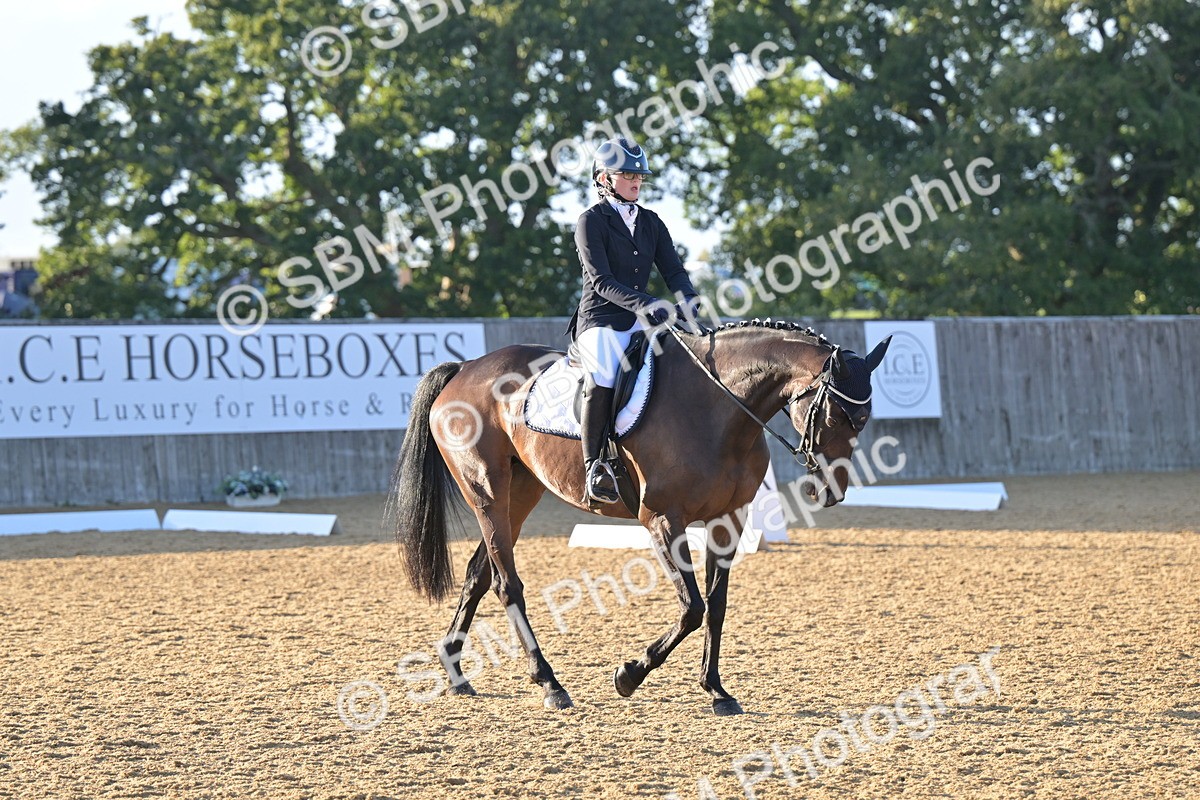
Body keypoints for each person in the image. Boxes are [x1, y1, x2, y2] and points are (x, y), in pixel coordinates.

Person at [567, 137, 700, 505]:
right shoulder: (590, 222)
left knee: (680, 363)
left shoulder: (652, 223)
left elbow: (674, 270)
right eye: (627, 175)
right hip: (601, 319)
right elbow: (601, 281)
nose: (636, 182)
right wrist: (647, 303)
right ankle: (595, 465)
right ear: (604, 179)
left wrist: (687, 299)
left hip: (642, 319)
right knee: (605, 374)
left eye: (639, 176)